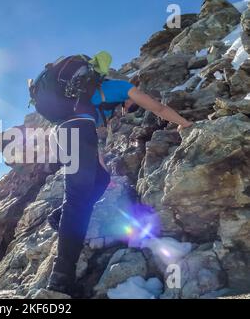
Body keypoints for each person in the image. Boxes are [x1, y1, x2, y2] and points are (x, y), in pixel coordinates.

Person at [45, 77, 194, 296]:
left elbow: (89, 141)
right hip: (74, 132)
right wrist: (185, 123)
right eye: (131, 106)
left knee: (100, 180)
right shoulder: (121, 87)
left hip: (64, 133)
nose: (128, 111)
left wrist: (102, 172)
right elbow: (158, 107)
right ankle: (61, 276)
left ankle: (60, 216)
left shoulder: (88, 97)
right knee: (77, 201)